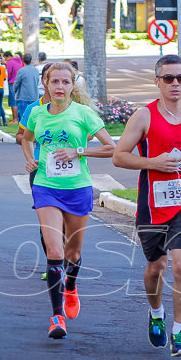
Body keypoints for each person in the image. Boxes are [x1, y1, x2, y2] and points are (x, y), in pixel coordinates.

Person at [112, 54, 181, 357]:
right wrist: (153, 162)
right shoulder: (144, 116)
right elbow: (119, 156)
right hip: (152, 203)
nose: (175, 84)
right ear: (157, 81)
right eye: (168, 78)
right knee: (156, 266)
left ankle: (180, 332)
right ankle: (156, 313)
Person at [20, 61, 115, 339]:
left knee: (73, 253)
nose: (60, 87)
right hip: (46, 187)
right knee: (55, 252)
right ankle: (56, 316)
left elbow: (111, 148)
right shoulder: (36, 113)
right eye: (55, 82)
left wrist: (79, 151)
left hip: (77, 188)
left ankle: (71, 286)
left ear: (73, 85)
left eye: (65, 82)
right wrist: (30, 159)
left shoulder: (83, 113)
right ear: (46, 85)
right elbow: (26, 139)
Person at [12, 53, 39, 122]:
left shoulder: (21, 71)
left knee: (23, 116)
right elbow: (37, 81)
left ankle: (22, 132)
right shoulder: (36, 70)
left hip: (23, 96)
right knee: (32, 117)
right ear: (31, 60)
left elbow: (17, 83)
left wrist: (15, 91)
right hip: (34, 96)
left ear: (23, 60)